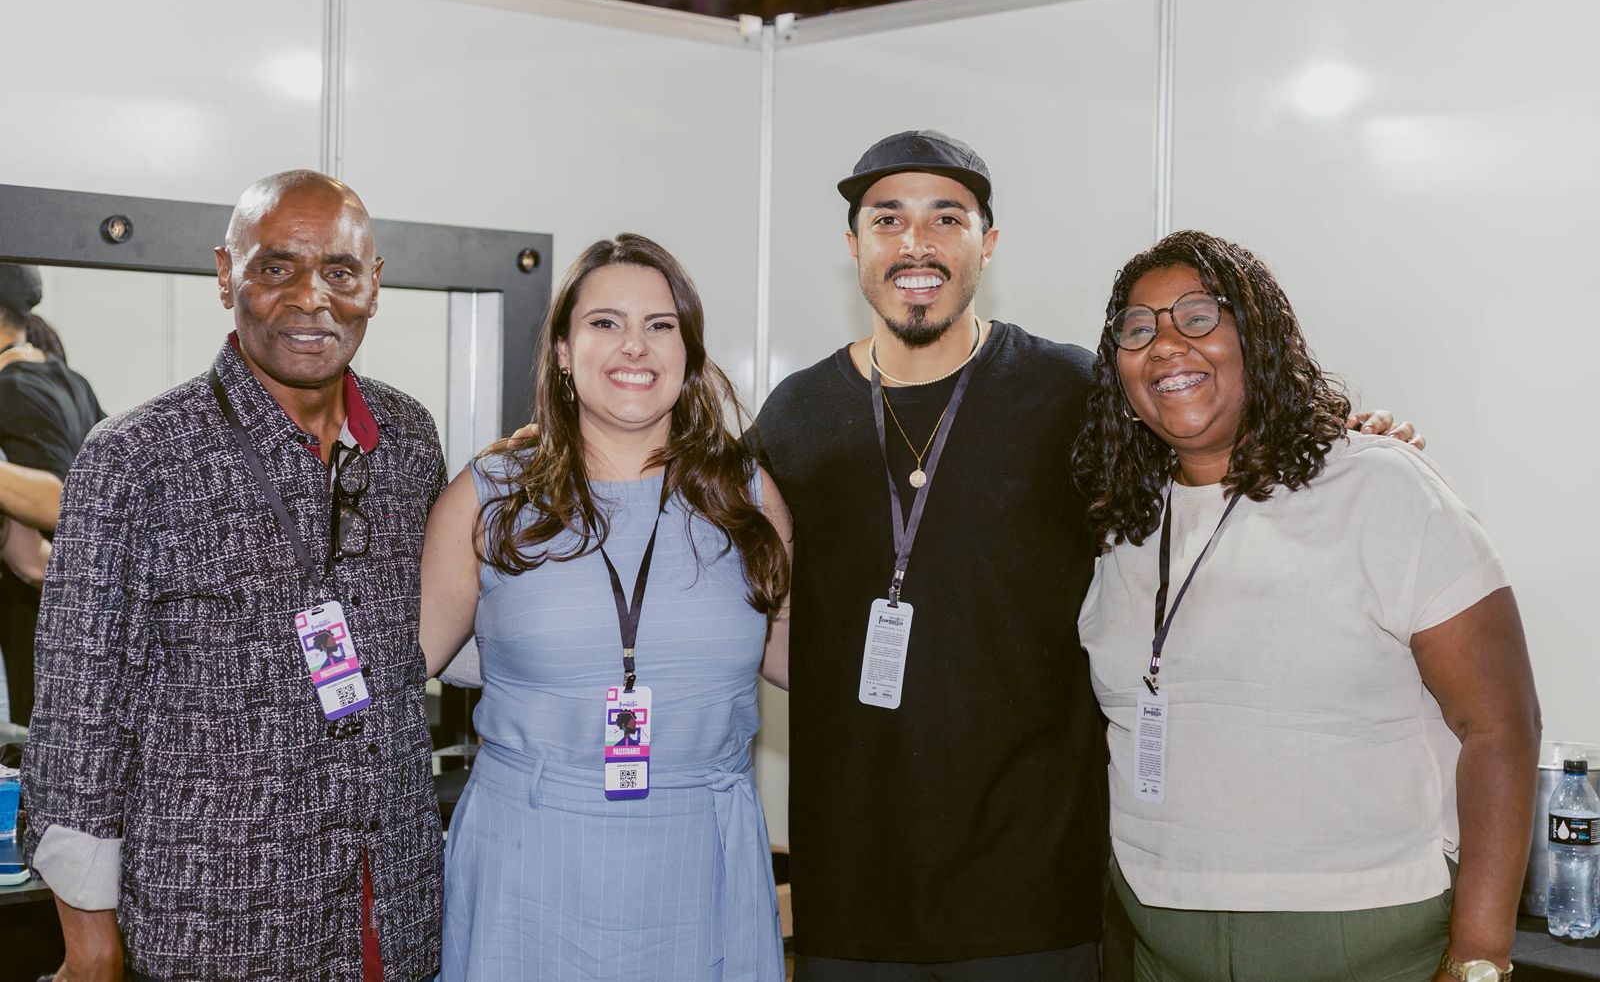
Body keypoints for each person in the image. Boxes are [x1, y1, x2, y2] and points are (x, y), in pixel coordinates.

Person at [751, 130, 1421, 981]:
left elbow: (1213, 459)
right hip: (851, 889)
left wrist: (1343, 442)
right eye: (888, 219)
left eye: (947, 218)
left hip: (1037, 891)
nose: (916, 243)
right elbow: (746, 594)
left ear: (987, 243)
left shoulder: (1071, 392)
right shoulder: (794, 414)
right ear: (854, 246)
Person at [1073, 230, 1539, 982]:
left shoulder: (1379, 485)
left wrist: (1480, 955)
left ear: (1256, 339)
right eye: (1137, 329)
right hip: (1162, 946)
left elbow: (1499, 724)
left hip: (1371, 943)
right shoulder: (1122, 523)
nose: (1165, 345)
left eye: (1197, 316)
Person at [23, 170, 446, 981]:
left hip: (391, 913)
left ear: (374, 283)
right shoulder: (135, 459)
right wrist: (90, 943)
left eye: (340, 271)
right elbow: (78, 723)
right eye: (276, 267)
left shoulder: (408, 439)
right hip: (215, 926)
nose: (311, 299)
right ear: (226, 275)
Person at [420, 233, 793, 980]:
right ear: (563, 350)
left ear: (687, 351)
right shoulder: (490, 496)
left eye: (660, 325)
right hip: (527, 856)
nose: (635, 346)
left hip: (701, 856)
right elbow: (402, 668)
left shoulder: (745, 496)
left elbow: (803, 661)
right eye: (604, 323)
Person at [0, 267, 104, 724]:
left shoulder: (12, 387)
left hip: (39, 624)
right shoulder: (70, 380)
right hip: (78, 622)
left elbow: (57, 501)